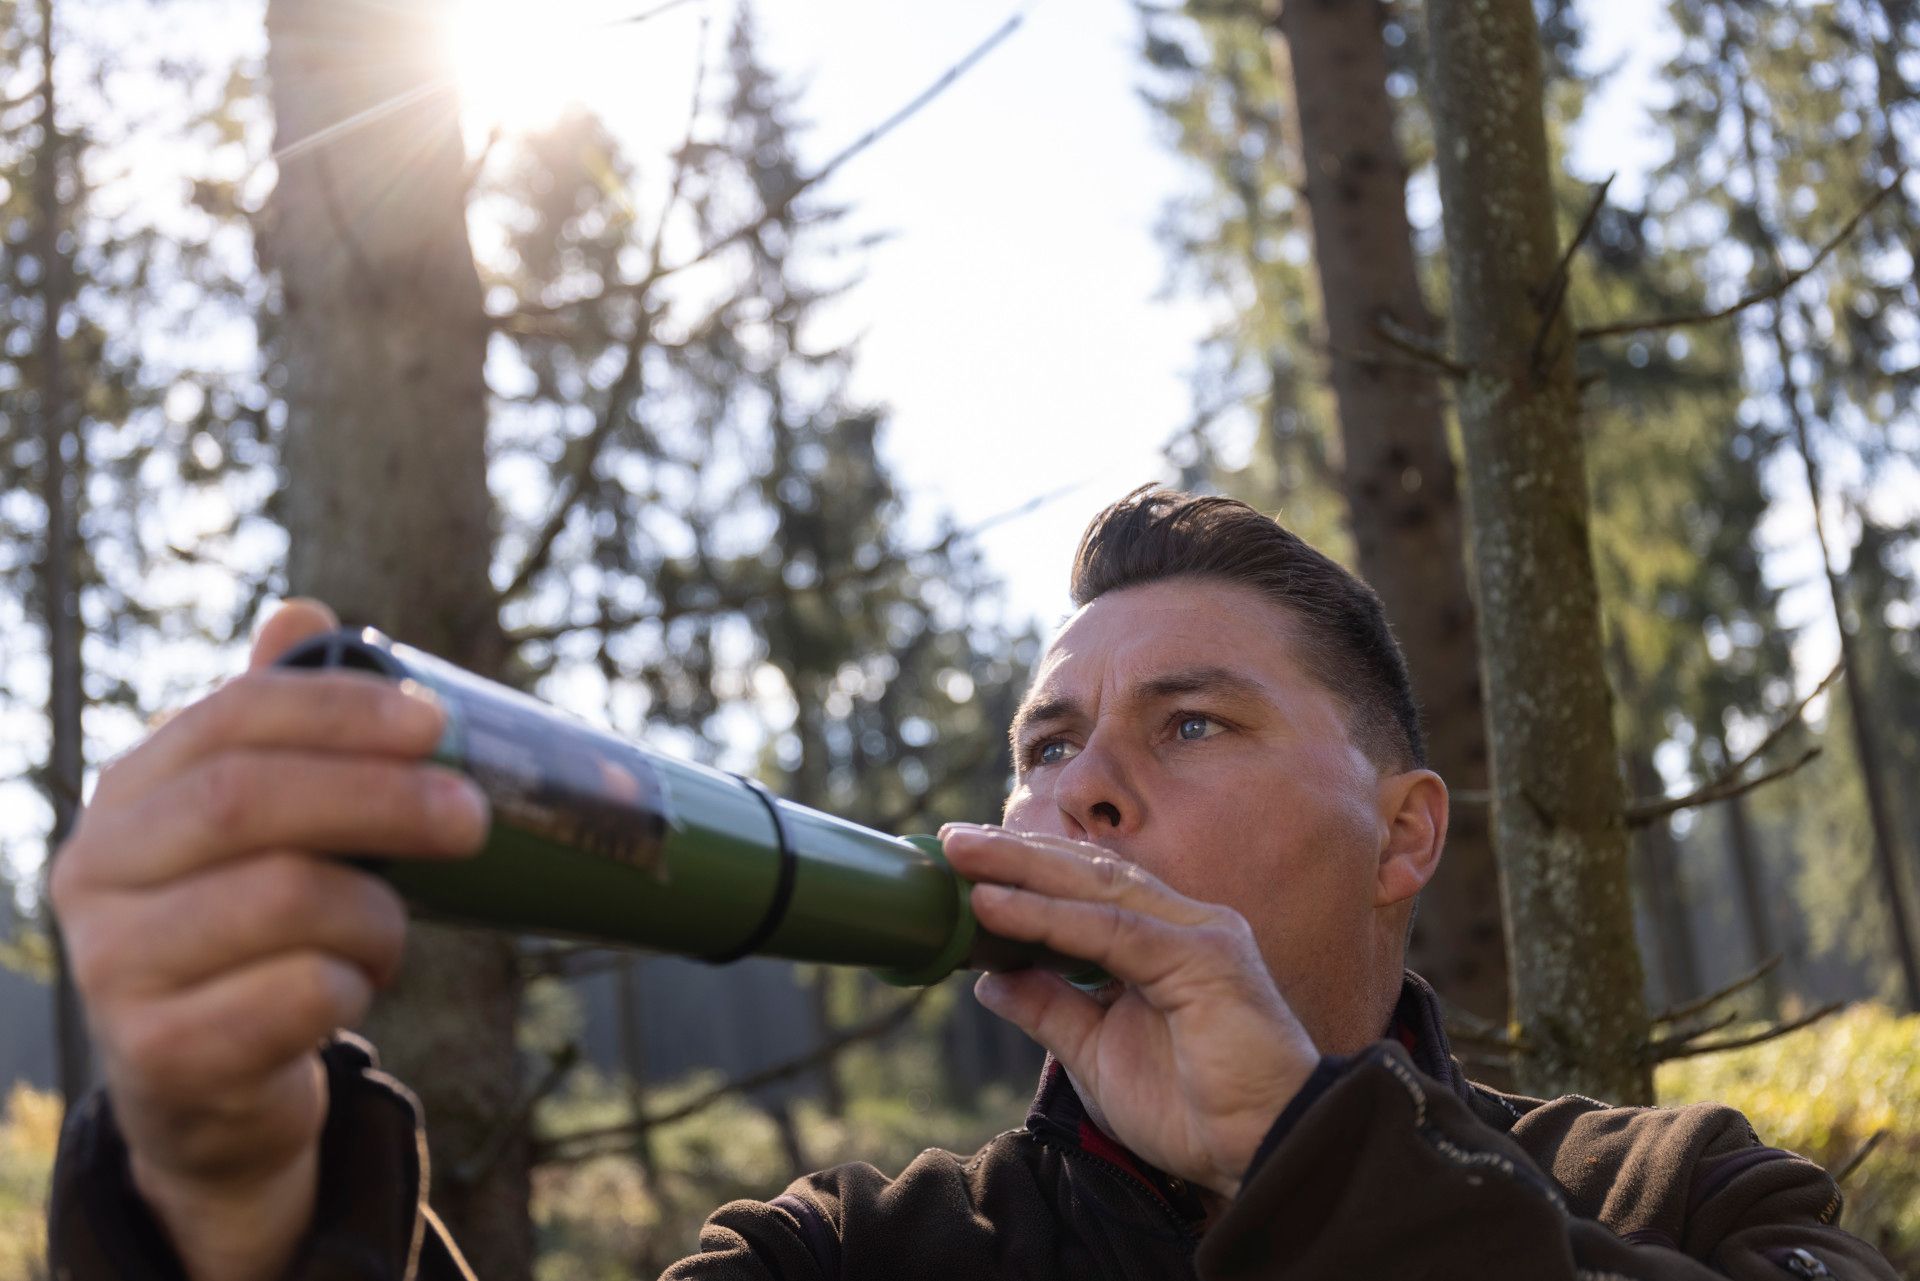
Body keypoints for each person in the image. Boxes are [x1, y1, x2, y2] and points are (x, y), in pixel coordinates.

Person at [46, 487, 1896, 1280]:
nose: (1079, 786)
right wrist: (229, 1206)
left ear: (1406, 832)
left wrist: (1316, 1153)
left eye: (1190, 727)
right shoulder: (847, 1259)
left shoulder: (1685, 1192)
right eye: (1044, 741)